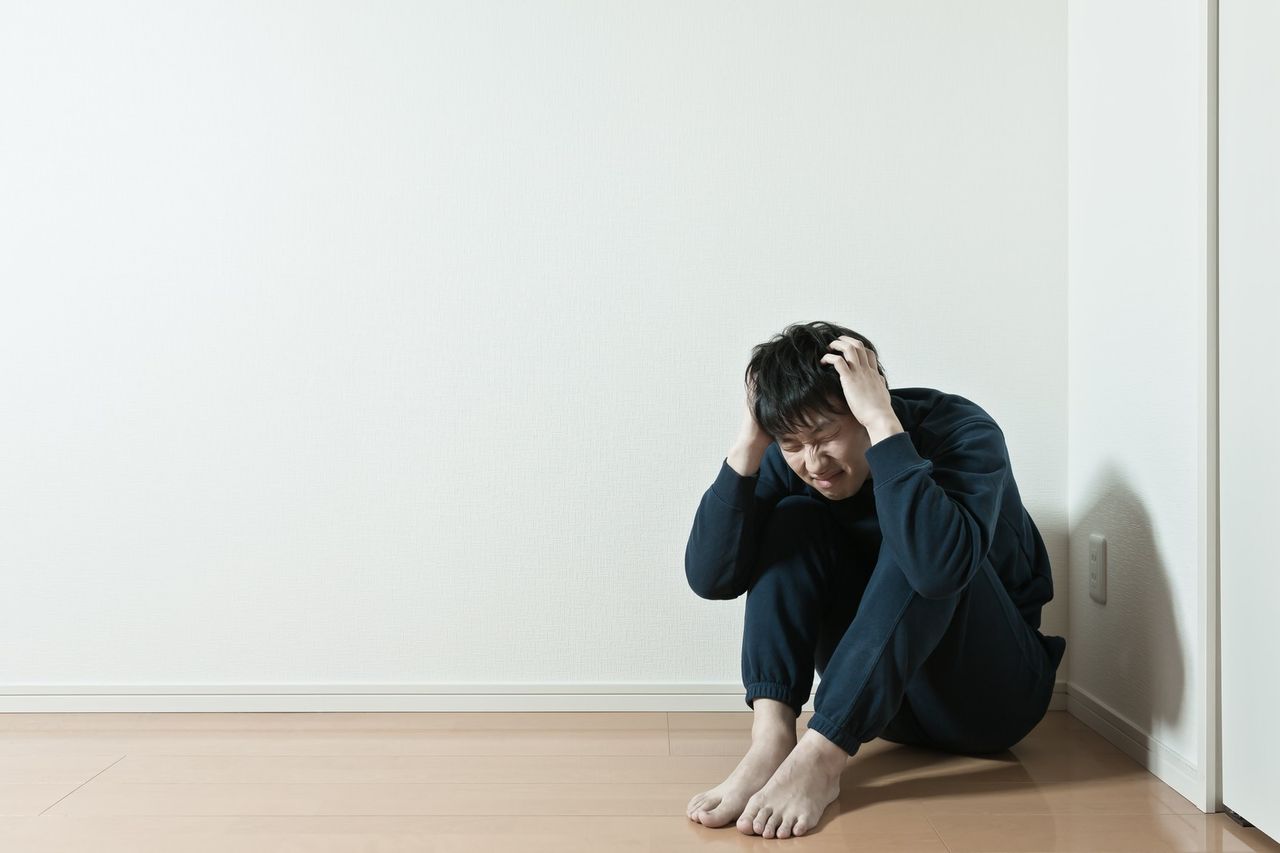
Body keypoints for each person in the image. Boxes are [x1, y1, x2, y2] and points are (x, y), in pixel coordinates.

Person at [683, 320, 1066, 839]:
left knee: (924, 541)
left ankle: (820, 757)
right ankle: (771, 741)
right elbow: (712, 578)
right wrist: (750, 443)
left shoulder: (961, 431)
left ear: (865, 403)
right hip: (884, 711)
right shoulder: (792, 458)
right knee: (793, 518)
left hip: (991, 700)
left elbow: (938, 568)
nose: (813, 463)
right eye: (792, 443)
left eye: (827, 437)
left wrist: (883, 424)